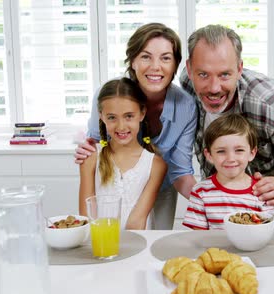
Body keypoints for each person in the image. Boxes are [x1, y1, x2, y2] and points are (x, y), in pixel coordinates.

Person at [180, 24, 274, 229]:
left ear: (240, 68)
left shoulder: (273, 105)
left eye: (225, 74)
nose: (214, 88)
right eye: (203, 75)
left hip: (265, 206)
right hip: (215, 206)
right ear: (190, 70)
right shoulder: (187, 84)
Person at [75, 23, 198, 230]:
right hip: (112, 185)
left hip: (162, 187)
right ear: (132, 61)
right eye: (145, 56)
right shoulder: (111, 94)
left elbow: (181, 170)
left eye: (165, 58)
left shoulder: (186, 106)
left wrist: (211, 200)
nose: (155, 66)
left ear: (176, 64)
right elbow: (97, 142)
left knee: (154, 241)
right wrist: (86, 149)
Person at [78, 78, 167, 230]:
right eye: (112, 117)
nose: (121, 126)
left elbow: (137, 221)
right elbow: (87, 217)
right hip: (101, 244)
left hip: (139, 243)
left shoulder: (156, 164)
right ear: (101, 116)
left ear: (142, 113)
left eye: (129, 116)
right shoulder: (91, 157)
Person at [182, 114, 274, 230]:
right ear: (209, 155)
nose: (230, 158)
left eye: (239, 150)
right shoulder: (200, 191)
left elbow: (268, 230)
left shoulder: (262, 192)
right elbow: (199, 236)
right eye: (221, 151)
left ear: (252, 153)